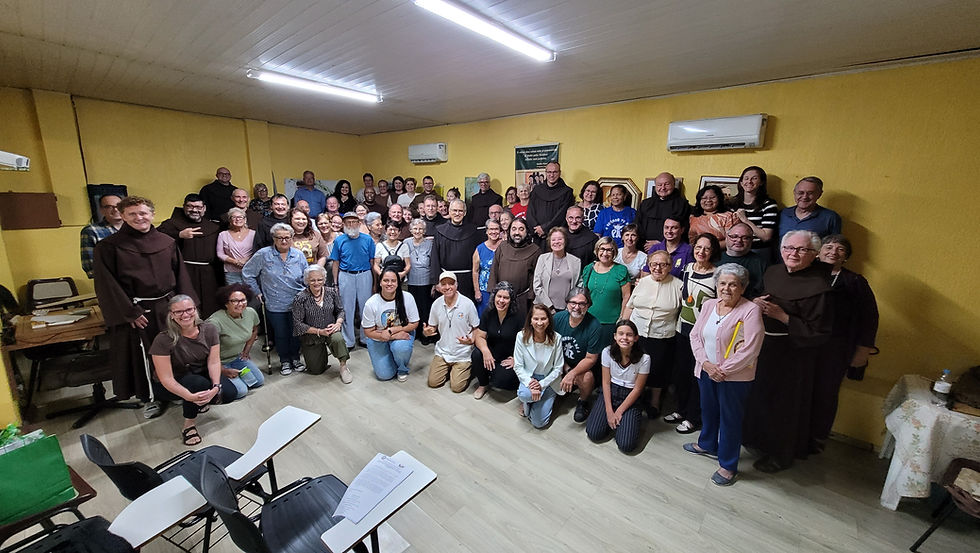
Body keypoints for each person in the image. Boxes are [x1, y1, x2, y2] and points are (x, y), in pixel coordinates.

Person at [94, 196, 195, 416]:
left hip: (169, 307)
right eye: (132, 214)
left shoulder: (166, 242)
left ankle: (174, 391)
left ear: (152, 214)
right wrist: (130, 313)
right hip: (139, 311)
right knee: (145, 356)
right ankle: (151, 397)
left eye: (143, 213)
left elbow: (181, 276)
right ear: (122, 216)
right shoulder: (108, 247)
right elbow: (107, 285)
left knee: (175, 351)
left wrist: (186, 307)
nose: (139, 217)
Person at [743, 230, 834, 473]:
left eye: (801, 250)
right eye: (789, 248)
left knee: (784, 406)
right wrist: (757, 302)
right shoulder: (773, 271)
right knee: (759, 396)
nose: (793, 253)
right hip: (764, 346)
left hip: (794, 354)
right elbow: (757, 293)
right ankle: (758, 441)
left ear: (814, 255)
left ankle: (780, 454)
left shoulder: (819, 287)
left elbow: (820, 331)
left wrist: (782, 316)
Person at [685, 264, 764, 486]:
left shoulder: (750, 310)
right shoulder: (709, 305)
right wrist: (707, 364)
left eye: (732, 284)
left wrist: (723, 370)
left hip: (734, 378)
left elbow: (751, 348)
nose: (726, 288)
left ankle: (728, 464)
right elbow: (695, 336)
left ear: (743, 287)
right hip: (705, 371)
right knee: (708, 409)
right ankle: (707, 443)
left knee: (730, 419)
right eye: (722, 283)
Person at [813, 234, 878, 449]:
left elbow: (869, 318)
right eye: (828, 247)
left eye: (840, 249)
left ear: (846, 257)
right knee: (799, 389)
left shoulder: (855, 282)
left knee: (826, 391)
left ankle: (817, 437)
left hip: (836, 347)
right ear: (818, 251)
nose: (833, 251)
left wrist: (862, 352)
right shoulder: (804, 274)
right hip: (803, 343)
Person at [150, 295, 238, 445]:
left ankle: (200, 400)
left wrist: (216, 386)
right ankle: (189, 425)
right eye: (179, 312)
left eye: (189, 309)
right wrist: (188, 396)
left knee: (229, 392)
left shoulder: (209, 329)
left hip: (198, 371)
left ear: (195, 310)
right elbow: (166, 378)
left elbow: (214, 361)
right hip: (171, 381)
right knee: (197, 385)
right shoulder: (162, 339)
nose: (185, 315)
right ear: (171, 315)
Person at [667, 233, 720, 434]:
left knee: (696, 376)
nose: (701, 252)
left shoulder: (717, 275)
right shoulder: (688, 269)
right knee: (681, 373)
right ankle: (681, 410)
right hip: (683, 329)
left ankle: (693, 417)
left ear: (713, 251)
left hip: (703, 335)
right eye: (698, 247)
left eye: (706, 248)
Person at [622, 249, 683, 418]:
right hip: (637, 333)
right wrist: (622, 328)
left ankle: (655, 401)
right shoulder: (642, 282)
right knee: (634, 366)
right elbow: (630, 306)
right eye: (654, 264)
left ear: (670, 266)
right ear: (649, 266)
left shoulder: (679, 286)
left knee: (658, 369)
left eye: (663, 264)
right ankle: (635, 397)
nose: (658, 268)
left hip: (662, 336)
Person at [242, 223, 308, 375]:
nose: (284, 241)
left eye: (287, 238)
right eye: (279, 238)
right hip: (274, 302)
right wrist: (256, 291)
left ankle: (296, 358)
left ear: (292, 238)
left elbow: (305, 276)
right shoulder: (263, 254)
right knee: (281, 333)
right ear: (273, 238)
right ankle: (285, 360)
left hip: (297, 301)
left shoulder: (298, 255)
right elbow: (247, 273)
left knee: (296, 332)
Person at [586, 319, 650, 453]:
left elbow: (638, 389)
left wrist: (619, 411)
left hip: (630, 396)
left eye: (629, 335)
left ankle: (623, 421)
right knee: (594, 433)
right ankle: (611, 420)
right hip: (610, 391)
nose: (624, 338)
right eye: (621, 334)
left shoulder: (644, 359)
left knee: (626, 445)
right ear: (615, 336)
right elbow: (606, 382)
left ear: (636, 338)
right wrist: (609, 412)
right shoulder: (607, 352)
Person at [158, 194, 223, 317]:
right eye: (190, 206)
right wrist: (179, 235)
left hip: (208, 273)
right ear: (184, 207)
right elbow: (156, 239)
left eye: (198, 207)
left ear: (204, 208)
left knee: (210, 305)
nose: (194, 210)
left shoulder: (213, 227)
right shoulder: (172, 224)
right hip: (184, 272)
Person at [291, 264, 351, 382]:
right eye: (312, 280)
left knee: (337, 338)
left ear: (324, 279)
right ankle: (322, 354)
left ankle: (343, 367)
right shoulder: (300, 298)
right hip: (312, 335)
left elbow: (340, 311)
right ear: (307, 281)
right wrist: (319, 331)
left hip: (331, 330)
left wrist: (338, 324)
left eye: (319, 279)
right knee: (316, 370)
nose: (316, 283)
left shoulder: (332, 292)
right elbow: (298, 324)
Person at [424, 272, 480, 392]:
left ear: (456, 285)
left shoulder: (467, 304)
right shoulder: (436, 304)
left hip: (462, 353)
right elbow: (432, 326)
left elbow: (476, 328)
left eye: (451, 284)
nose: (447, 287)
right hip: (443, 351)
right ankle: (450, 369)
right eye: (443, 284)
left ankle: (466, 369)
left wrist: (472, 340)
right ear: (439, 287)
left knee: (457, 388)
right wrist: (428, 331)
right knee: (433, 383)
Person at [207, 284, 265, 399]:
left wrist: (246, 351)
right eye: (235, 301)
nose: (240, 304)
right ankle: (213, 378)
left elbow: (254, 330)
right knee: (241, 392)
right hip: (220, 362)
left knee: (258, 382)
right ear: (226, 303)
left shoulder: (250, 312)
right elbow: (205, 350)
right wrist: (222, 370)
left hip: (237, 358)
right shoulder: (215, 322)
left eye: (243, 300)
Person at [363, 268, 420, 381]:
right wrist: (393, 336)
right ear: (380, 282)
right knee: (384, 375)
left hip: (401, 333)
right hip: (378, 337)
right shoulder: (371, 303)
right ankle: (390, 357)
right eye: (386, 280)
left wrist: (391, 331)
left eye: (393, 281)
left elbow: (414, 323)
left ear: (398, 283)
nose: (389, 284)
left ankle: (402, 367)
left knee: (400, 347)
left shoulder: (407, 297)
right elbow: (368, 332)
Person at [554, 288, 602, 423]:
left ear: (588, 305)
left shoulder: (594, 325)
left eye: (582, 304)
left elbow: (591, 359)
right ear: (567, 303)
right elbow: (549, 347)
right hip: (560, 362)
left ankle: (583, 401)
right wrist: (565, 368)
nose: (577, 307)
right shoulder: (558, 318)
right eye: (573, 303)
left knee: (587, 377)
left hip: (581, 367)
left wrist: (571, 373)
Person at [513, 304, 564, 428]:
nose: (540, 323)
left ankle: (540, 400)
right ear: (530, 320)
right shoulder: (521, 336)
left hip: (548, 380)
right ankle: (530, 401)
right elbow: (518, 365)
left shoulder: (557, 338)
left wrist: (541, 385)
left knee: (539, 423)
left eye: (543, 319)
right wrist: (531, 383)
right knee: (524, 395)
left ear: (549, 320)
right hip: (530, 377)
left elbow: (558, 368)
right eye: (536, 319)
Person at [471, 281, 523, 399]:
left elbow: (527, 342)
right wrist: (485, 351)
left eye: (506, 298)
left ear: (511, 300)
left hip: (509, 357)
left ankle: (496, 376)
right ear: (494, 297)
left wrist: (517, 359)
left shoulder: (519, 316)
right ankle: (483, 384)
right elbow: (479, 336)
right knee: (476, 354)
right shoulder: (488, 312)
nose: (501, 300)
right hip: (492, 354)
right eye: (499, 296)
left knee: (501, 382)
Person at [331, 212, 375, 348]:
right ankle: (348, 340)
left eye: (354, 222)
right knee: (347, 309)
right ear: (344, 224)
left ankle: (365, 338)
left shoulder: (368, 240)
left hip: (364, 274)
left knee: (365, 308)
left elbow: (372, 261)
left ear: (359, 223)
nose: (351, 225)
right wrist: (336, 283)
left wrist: (375, 282)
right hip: (346, 275)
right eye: (348, 222)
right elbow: (335, 263)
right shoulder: (339, 240)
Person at [487, 217, 542, 322]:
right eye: (514, 229)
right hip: (501, 299)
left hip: (522, 299)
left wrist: (530, 297)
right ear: (509, 231)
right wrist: (493, 293)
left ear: (527, 232)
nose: (517, 232)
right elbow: (494, 269)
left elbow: (536, 276)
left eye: (521, 229)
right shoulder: (502, 247)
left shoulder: (535, 250)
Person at [581, 237, 631, 347]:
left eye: (609, 250)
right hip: (589, 320)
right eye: (602, 249)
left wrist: (622, 318)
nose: (605, 253)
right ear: (597, 251)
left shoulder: (620, 270)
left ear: (614, 252)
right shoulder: (588, 269)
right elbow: (584, 295)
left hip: (611, 321)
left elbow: (627, 296)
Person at [431, 200, 481, 300]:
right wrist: (436, 281)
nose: (457, 213)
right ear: (449, 211)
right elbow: (434, 257)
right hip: (446, 279)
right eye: (454, 210)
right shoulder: (440, 230)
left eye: (460, 211)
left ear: (465, 213)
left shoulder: (473, 231)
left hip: (468, 280)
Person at [730, 166, 779, 257]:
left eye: (754, 178)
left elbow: (766, 237)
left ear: (761, 182)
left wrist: (745, 220)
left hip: (758, 251)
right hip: (735, 250)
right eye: (746, 178)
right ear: (741, 182)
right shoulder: (732, 204)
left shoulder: (768, 204)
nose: (749, 181)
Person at [637, 172, 691, 250]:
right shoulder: (645, 203)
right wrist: (645, 244)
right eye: (659, 185)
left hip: (670, 248)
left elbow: (684, 230)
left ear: (673, 184)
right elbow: (638, 225)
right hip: (645, 248)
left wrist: (661, 244)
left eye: (667, 184)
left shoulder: (682, 204)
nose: (663, 188)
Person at [532, 226, 581, 312]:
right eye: (553, 240)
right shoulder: (542, 258)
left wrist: (570, 306)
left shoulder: (576, 261)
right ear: (549, 242)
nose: (556, 242)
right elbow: (537, 286)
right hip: (543, 308)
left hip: (567, 310)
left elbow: (578, 286)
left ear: (565, 241)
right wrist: (549, 307)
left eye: (560, 239)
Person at [778, 176, 842, 241]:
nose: (805, 197)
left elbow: (835, 245)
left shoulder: (830, 217)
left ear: (819, 195)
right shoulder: (782, 214)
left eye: (810, 193)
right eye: (801, 193)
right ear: (794, 193)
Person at [404, 219, 436, 344]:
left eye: (420, 229)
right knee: (412, 308)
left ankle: (425, 335)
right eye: (415, 229)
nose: (418, 231)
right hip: (411, 280)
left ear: (424, 231)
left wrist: (434, 282)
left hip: (426, 281)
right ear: (411, 230)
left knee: (425, 309)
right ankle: (414, 333)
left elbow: (433, 263)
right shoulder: (405, 243)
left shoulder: (430, 243)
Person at [526, 162, 575, 241]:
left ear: (559, 173)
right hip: (537, 236)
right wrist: (536, 229)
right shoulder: (537, 190)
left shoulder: (566, 192)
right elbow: (530, 211)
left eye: (555, 172)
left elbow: (561, 215)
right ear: (545, 173)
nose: (551, 175)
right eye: (549, 172)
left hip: (556, 237)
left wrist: (544, 228)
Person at [719, 222, 768, 298]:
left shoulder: (761, 263)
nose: (739, 240)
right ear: (726, 237)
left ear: (751, 240)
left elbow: (765, 293)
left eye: (745, 237)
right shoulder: (714, 259)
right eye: (734, 236)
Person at [81, 193, 123, 279]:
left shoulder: (134, 228)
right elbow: (89, 264)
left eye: (118, 206)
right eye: (109, 206)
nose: (115, 210)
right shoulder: (91, 231)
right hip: (109, 282)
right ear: (101, 210)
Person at [689, 185, 738, 249]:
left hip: (721, 253)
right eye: (704, 198)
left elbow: (733, 240)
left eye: (712, 197)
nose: (708, 200)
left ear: (719, 199)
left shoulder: (729, 216)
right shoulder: (693, 218)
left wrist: (709, 247)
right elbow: (691, 240)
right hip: (697, 253)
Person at [216, 208, 256, 285]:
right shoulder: (223, 235)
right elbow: (220, 254)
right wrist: (235, 262)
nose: (237, 219)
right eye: (234, 217)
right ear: (230, 220)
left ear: (245, 220)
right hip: (231, 273)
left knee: (252, 295)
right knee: (234, 295)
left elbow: (257, 251)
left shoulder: (254, 234)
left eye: (240, 217)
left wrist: (246, 260)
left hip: (251, 272)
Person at [472, 219, 502, 315]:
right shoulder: (479, 249)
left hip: (502, 290)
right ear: (486, 231)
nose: (494, 232)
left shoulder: (505, 246)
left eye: (496, 229)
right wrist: (477, 291)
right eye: (491, 229)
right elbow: (475, 271)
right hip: (484, 291)